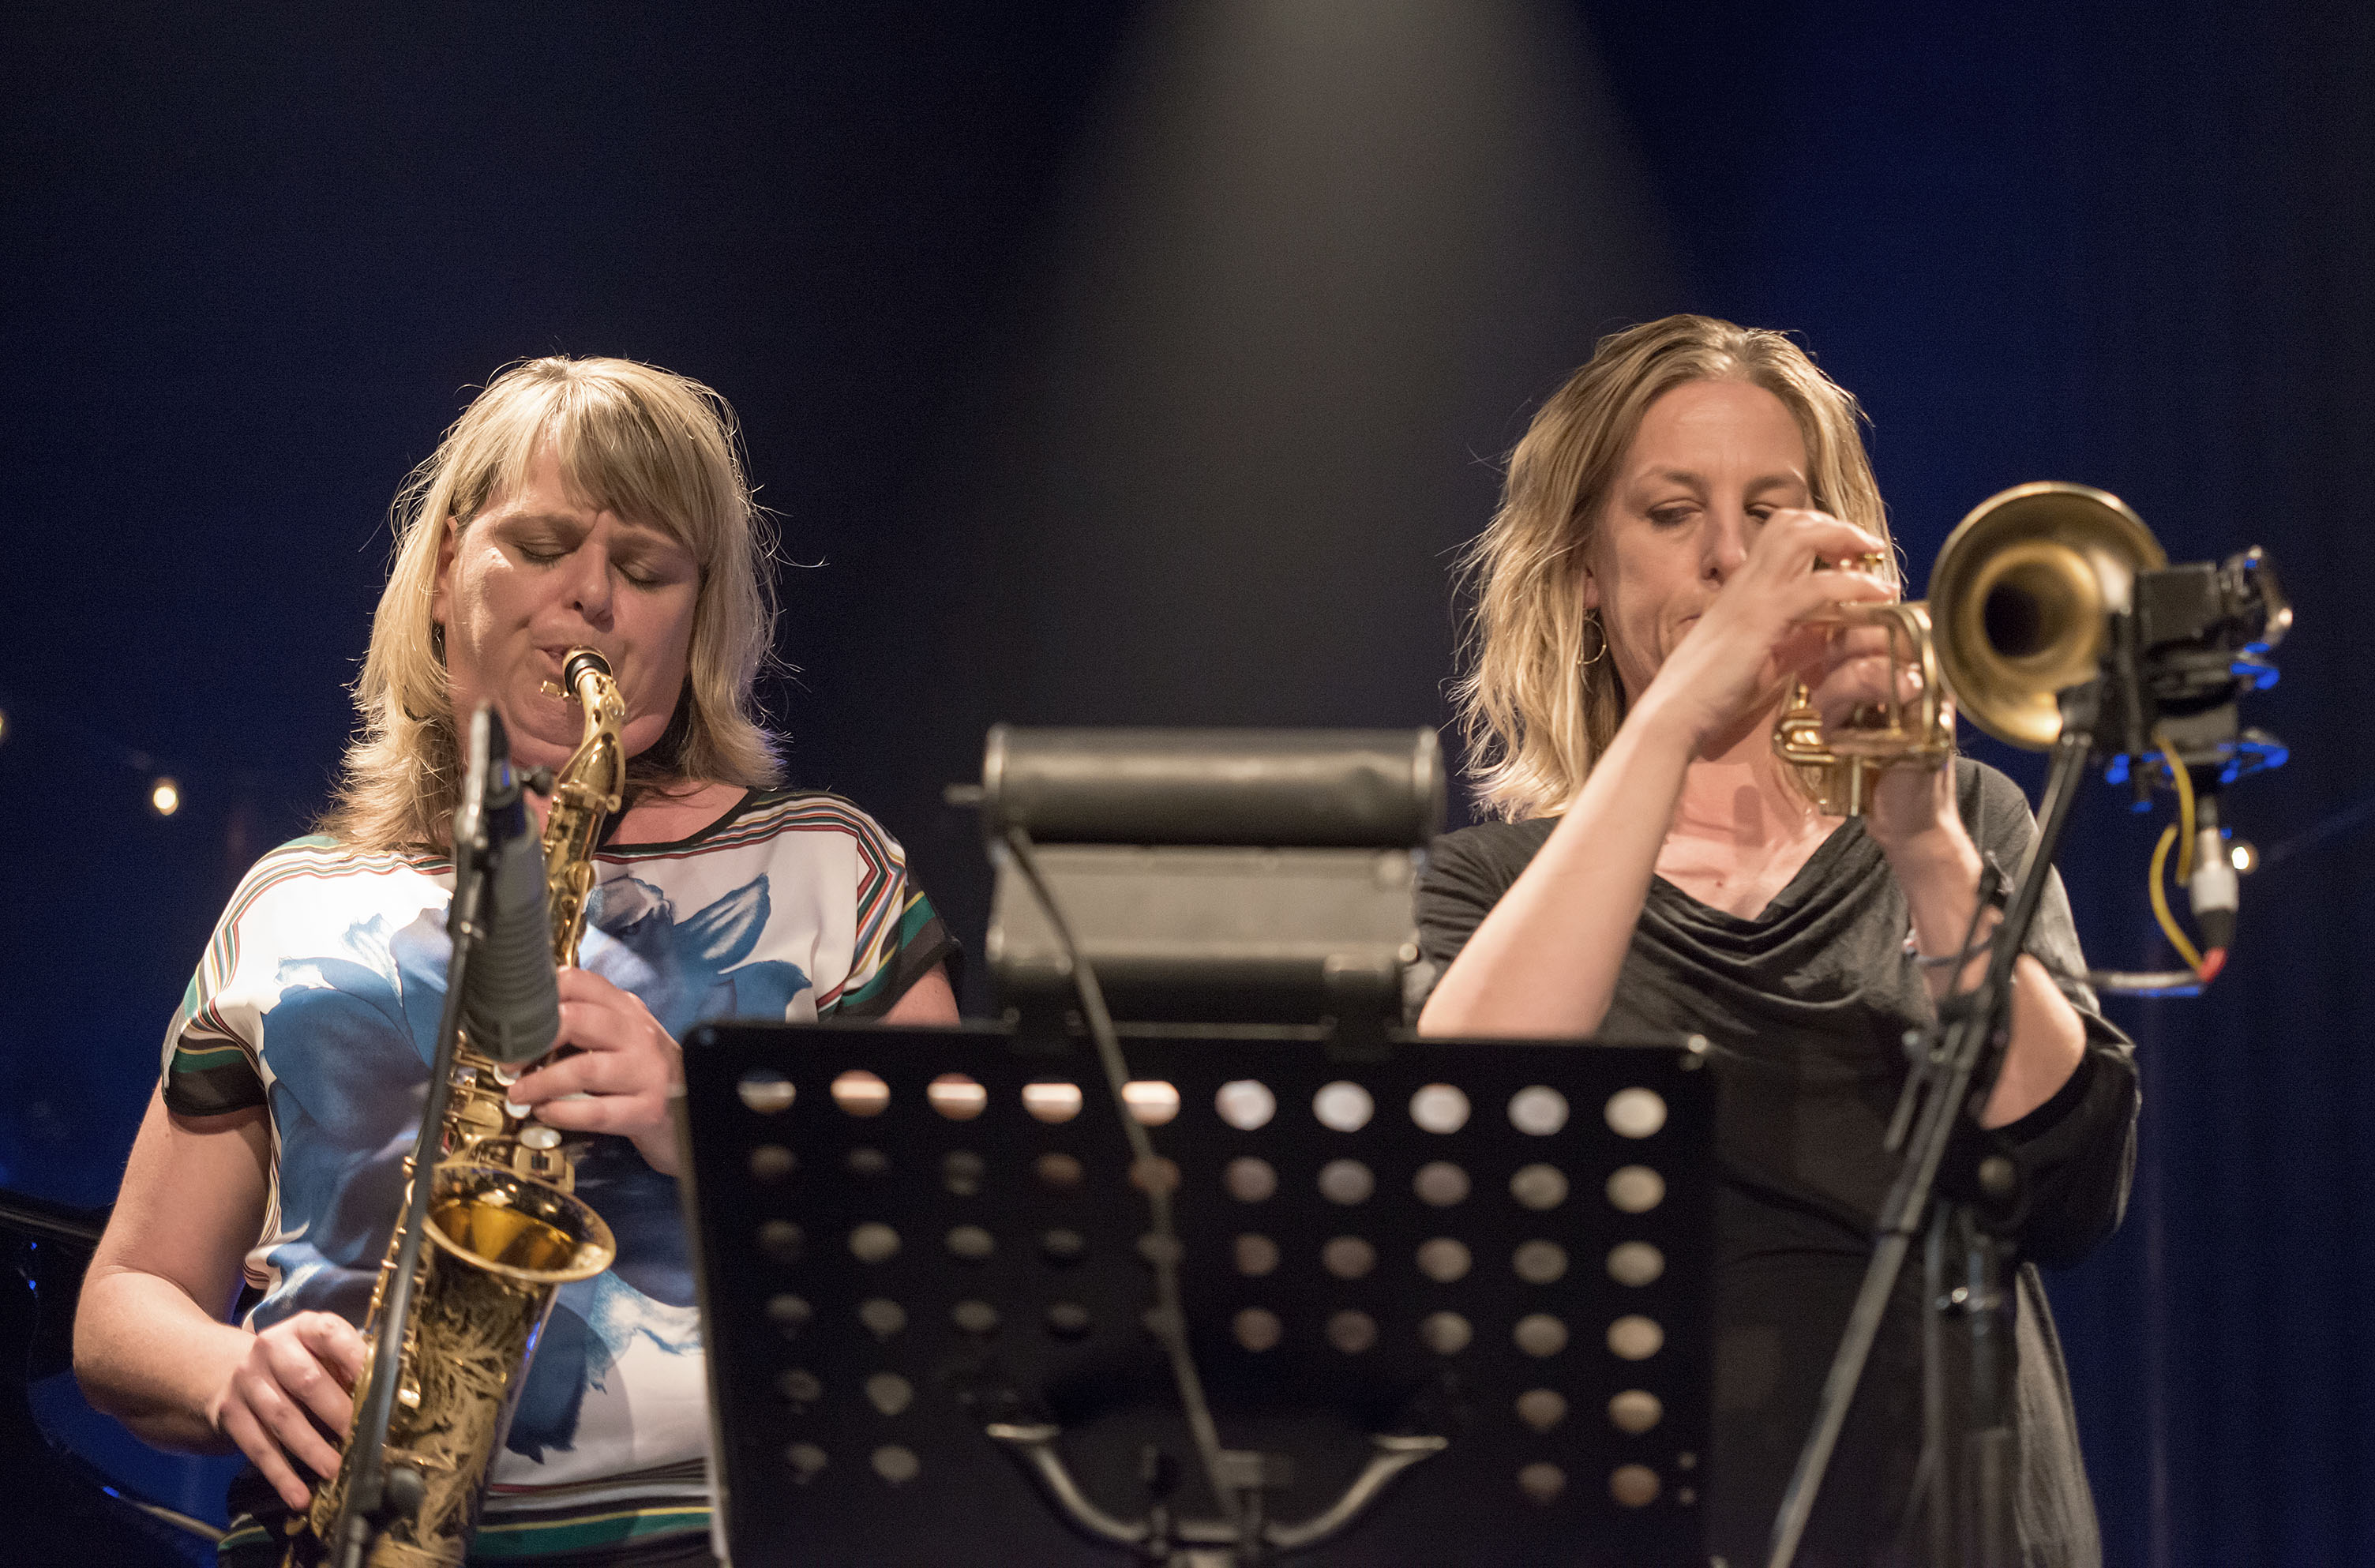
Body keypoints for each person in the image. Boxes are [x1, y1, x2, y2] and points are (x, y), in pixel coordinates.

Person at [73, 357, 961, 1567]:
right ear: (445, 567)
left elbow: (964, 1216)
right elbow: (123, 1299)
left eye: (646, 568)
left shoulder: (824, 864)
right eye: (543, 544)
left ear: (695, 618)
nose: (592, 594)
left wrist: (713, 1123)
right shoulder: (289, 900)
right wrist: (230, 1368)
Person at [1415, 316, 2137, 1566]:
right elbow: (1460, 1132)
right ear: (1586, 567)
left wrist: (1919, 838)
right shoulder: (1494, 884)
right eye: (1671, 512)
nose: (1730, 558)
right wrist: (1680, 713)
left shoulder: (1972, 825)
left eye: (1770, 510)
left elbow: (2069, 1189)